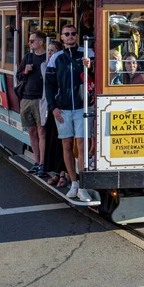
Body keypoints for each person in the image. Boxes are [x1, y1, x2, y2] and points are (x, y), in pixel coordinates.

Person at [45, 24, 93, 202]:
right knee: (66, 145)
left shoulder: (88, 53)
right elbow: (49, 85)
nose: (71, 36)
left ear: (77, 36)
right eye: (67, 34)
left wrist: (91, 65)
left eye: (73, 33)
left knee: (81, 146)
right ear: (62, 38)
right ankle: (73, 182)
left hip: (82, 107)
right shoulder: (56, 58)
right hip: (63, 109)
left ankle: (82, 186)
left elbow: (99, 75)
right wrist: (53, 107)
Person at [16, 30, 47, 177]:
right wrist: (25, 72)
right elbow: (18, 75)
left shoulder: (47, 58)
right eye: (29, 41)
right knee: (32, 131)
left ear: (40, 43)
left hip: (41, 100)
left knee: (42, 131)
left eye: (32, 41)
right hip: (27, 99)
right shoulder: (28, 57)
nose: (29, 43)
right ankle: (36, 161)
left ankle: (43, 163)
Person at [41, 41, 68, 188]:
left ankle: (62, 174)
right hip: (52, 108)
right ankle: (55, 172)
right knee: (52, 140)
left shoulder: (61, 64)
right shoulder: (46, 65)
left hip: (62, 107)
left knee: (62, 142)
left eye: (53, 51)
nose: (50, 53)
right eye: (48, 51)